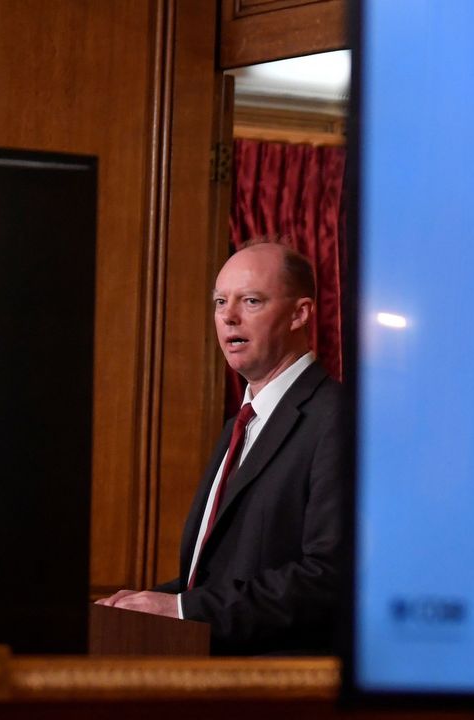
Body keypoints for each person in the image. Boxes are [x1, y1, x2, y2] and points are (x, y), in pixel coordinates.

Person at [97, 242, 344, 655]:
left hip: (280, 689)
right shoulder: (241, 423)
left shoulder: (336, 418)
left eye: (250, 301)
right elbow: (221, 577)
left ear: (300, 313)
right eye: (219, 302)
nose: (228, 316)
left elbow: (327, 577)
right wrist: (139, 606)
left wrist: (180, 609)